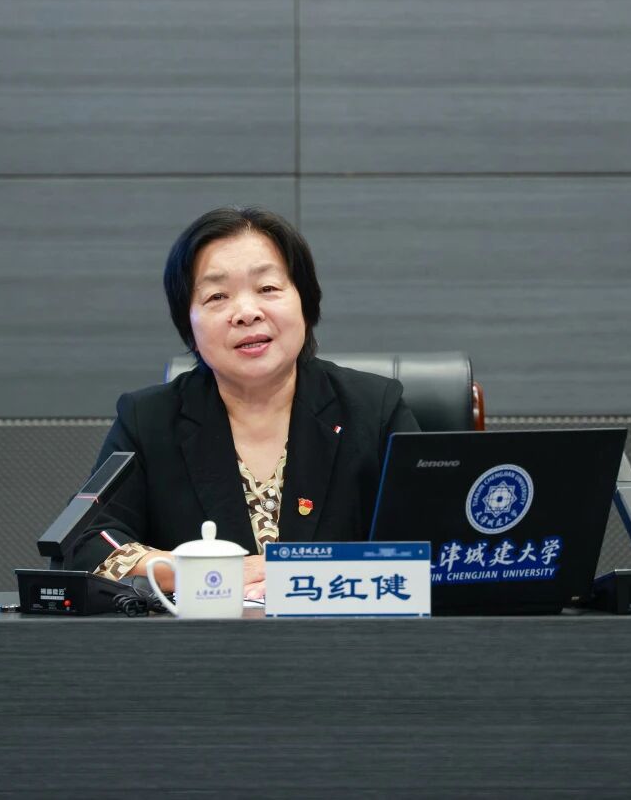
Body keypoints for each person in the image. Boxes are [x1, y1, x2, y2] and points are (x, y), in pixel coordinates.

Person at [68, 206, 419, 599]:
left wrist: (308, 573)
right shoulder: (148, 420)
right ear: (188, 323)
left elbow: (434, 542)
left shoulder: (374, 410)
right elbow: (85, 543)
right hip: (204, 636)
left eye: (267, 288)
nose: (247, 313)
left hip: (345, 633)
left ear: (305, 300)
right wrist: (205, 571)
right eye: (217, 296)